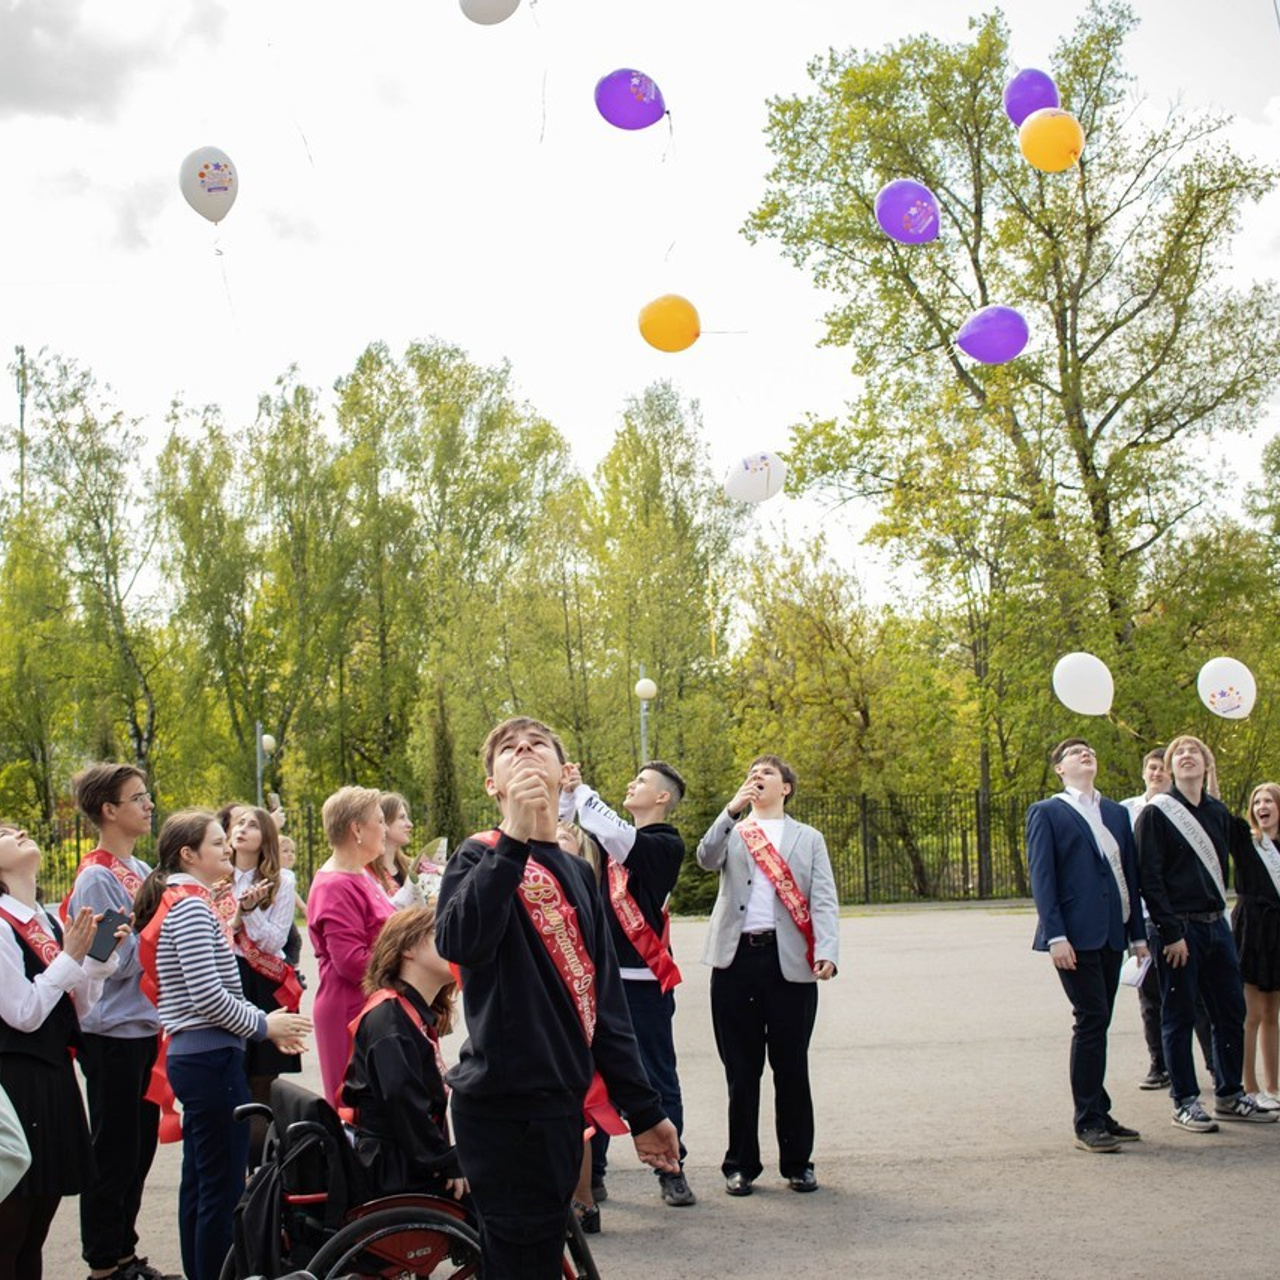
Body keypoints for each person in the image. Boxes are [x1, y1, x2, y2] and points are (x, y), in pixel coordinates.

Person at [436, 716, 680, 1277]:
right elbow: (460, 941)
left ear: (560, 772)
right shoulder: (477, 858)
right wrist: (514, 840)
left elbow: (606, 1006)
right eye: (508, 750)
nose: (524, 752)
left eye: (536, 745)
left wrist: (645, 1111)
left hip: (557, 1106)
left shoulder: (575, 869)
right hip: (501, 1104)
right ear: (492, 784)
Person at [134, 812, 311, 1280]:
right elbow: (208, 996)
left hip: (203, 1056)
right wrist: (263, 1025)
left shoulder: (191, 901)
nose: (226, 849)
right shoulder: (190, 907)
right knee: (220, 1187)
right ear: (189, 855)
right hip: (210, 1057)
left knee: (201, 1181)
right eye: (216, 843)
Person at [696, 755, 839, 1196]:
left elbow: (824, 899)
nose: (757, 779)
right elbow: (705, 858)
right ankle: (740, 1165)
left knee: (791, 1066)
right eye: (752, 774)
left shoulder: (808, 838)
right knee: (741, 1070)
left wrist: (828, 952)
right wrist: (731, 810)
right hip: (736, 959)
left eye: (767, 775)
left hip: (789, 961)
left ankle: (798, 1162)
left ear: (786, 788)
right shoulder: (735, 830)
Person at [560, 759, 696, 1210]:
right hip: (600, 978)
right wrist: (565, 793)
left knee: (656, 1075)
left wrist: (583, 792)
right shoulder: (604, 836)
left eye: (641, 782)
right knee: (595, 1077)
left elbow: (621, 838)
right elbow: (565, 833)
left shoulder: (664, 842)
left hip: (642, 981)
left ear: (662, 798)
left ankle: (671, 1170)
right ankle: (592, 1175)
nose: (631, 784)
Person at [0, 823, 128, 1280]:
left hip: (54, 1075)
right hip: (15, 1083)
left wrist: (94, 960)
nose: (15, 831)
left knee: (35, 1232)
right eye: (1, 832)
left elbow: (81, 1009)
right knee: (8, 1233)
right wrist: (71, 958)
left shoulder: (47, 919)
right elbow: (25, 1012)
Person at [1134, 733, 1277, 1131]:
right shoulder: (1156, 813)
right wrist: (1169, 931)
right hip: (1178, 930)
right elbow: (1150, 877)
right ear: (1170, 766)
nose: (1186, 756)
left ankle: (1230, 1093)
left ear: (1206, 764)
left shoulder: (1217, 813)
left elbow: (1253, 858)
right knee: (1179, 1016)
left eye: (1194, 751)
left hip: (1217, 927)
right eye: (1178, 752)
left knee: (1230, 1011)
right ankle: (1185, 1100)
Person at [66, 764, 173, 1280]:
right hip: (111, 1033)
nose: (149, 804)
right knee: (113, 1153)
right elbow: (108, 964)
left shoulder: (142, 869)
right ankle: (105, 1263)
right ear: (109, 810)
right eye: (138, 797)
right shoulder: (97, 876)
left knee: (139, 1148)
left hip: (143, 1028)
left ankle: (126, 1253)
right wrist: (154, 926)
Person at [1026, 739, 1147, 1153]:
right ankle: (1088, 1121)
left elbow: (1128, 873)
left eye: (1090, 750)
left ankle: (1100, 1108)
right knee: (1091, 1019)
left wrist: (1137, 935)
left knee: (1100, 1022)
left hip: (1112, 933)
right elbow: (1043, 878)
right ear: (1060, 768)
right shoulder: (1048, 811)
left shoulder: (1115, 812)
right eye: (1075, 752)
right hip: (1073, 938)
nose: (1085, 754)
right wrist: (1055, 935)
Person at [340, 904, 467, 1200]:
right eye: (439, 934)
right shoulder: (390, 1020)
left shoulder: (409, 1013)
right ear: (407, 949)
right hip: (394, 1172)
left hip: (403, 1159)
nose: (452, 941)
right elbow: (403, 1102)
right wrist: (446, 1162)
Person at [1121, 748, 1213, 1091]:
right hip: (1144, 917)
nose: (1157, 773)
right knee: (1151, 998)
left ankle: (1212, 1063)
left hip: (1183, 915)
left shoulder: (1186, 809)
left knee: (1198, 996)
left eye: (1162, 768)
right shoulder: (1126, 810)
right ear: (1144, 772)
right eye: (1151, 767)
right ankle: (1158, 1063)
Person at [307, 787, 396, 1104]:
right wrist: (409, 963)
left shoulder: (359, 873)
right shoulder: (336, 884)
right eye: (380, 821)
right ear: (357, 829)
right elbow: (351, 961)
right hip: (351, 1010)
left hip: (372, 1004)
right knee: (358, 1107)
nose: (385, 829)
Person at [227, 806, 303, 1166]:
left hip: (263, 984)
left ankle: (256, 1176)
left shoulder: (281, 880)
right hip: (227, 981)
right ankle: (231, 1168)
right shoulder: (215, 876)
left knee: (261, 1086)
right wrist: (236, 916)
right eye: (238, 823)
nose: (242, 829)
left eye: (253, 825)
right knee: (230, 1080)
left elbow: (274, 943)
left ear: (266, 838)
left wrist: (251, 911)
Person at [1234, 782, 1280, 1111]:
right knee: (1251, 1014)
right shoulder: (1248, 843)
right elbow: (1215, 809)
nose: (1262, 805)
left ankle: (1274, 1086)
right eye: (1257, 801)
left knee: (1272, 1014)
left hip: (1278, 931)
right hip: (1252, 930)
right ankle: (1249, 1087)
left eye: (1269, 800)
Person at [370, 793, 425, 910]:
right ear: (384, 822)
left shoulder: (412, 866)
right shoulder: (368, 873)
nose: (410, 824)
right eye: (401, 817)